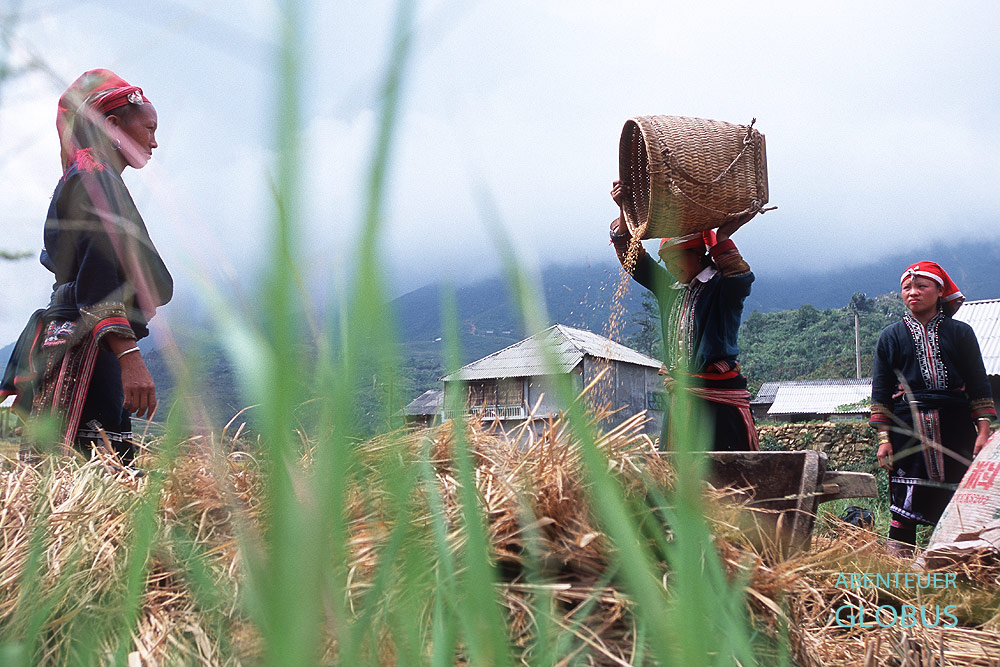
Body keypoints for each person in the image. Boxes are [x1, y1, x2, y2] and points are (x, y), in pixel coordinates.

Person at [0, 69, 172, 462]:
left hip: (71, 338)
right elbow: (98, 278)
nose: (154, 142)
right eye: (148, 128)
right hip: (87, 347)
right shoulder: (95, 178)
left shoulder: (89, 175)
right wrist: (129, 358)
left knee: (64, 474)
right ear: (113, 125)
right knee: (96, 465)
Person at [609, 180, 758, 451]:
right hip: (681, 400)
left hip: (717, 404)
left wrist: (723, 238)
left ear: (698, 255)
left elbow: (741, 279)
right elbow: (634, 261)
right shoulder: (671, 290)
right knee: (677, 472)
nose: (670, 268)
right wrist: (623, 208)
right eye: (666, 262)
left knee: (725, 471)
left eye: (675, 259)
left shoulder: (721, 288)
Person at [871, 261, 995, 556]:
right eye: (907, 287)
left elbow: (978, 385)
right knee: (904, 502)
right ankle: (898, 566)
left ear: (940, 291)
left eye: (921, 286)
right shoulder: (890, 337)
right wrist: (884, 439)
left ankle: (959, 562)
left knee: (962, 499)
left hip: (956, 428)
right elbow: (881, 393)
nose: (913, 292)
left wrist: (983, 431)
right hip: (907, 430)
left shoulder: (961, 333)